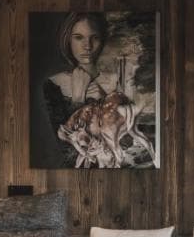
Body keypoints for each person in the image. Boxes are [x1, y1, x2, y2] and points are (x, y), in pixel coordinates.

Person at [43, 12, 152, 167]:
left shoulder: (118, 81)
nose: (87, 46)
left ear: (102, 40)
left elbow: (128, 139)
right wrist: (78, 97)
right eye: (78, 37)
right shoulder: (53, 84)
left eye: (94, 38)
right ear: (67, 40)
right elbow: (67, 153)